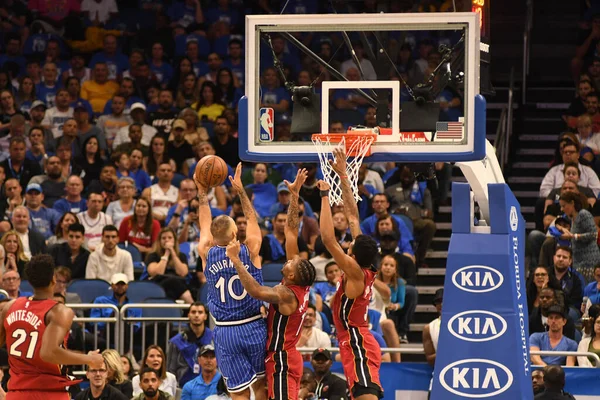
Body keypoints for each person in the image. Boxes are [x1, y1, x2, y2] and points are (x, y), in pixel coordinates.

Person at [226, 168, 316, 400]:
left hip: (282, 358)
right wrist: (295, 196)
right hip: (287, 355)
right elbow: (291, 232)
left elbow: (255, 290)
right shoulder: (299, 284)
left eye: (292, 263)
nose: (289, 259)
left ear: (293, 276)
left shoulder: (286, 293)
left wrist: (235, 260)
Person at [197, 163, 267, 400]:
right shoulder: (250, 249)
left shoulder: (206, 251)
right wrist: (239, 190)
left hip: (225, 332)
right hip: (253, 326)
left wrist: (201, 191)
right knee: (262, 388)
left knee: (237, 394)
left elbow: (204, 224)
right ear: (236, 233)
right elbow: (252, 218)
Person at [318, 147, 383, 400]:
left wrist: (325, 195)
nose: (349, 244)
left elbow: (328, 239)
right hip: (355, 341)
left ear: (353, 255)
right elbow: (353, 216)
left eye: (351, 246)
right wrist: (344, 175)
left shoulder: (355, 272)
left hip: (358, 344)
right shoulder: (363, 264)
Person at [0, 254, 104, 400]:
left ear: (28, 281)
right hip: (50, 392)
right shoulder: (59, 311)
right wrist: (89, 359)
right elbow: (49, 353)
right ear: (53, 279)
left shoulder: (9, 307)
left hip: (17, 393)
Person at [167, 302, 213, 386]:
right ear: (188, 315)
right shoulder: (176, 342)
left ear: (205, 316)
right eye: (193, 312)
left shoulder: (214, 339)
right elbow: (170, 371)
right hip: (183, 388)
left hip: (210, 387)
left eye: (200, 312)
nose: (196, 315)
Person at [145, 227, 194, 303]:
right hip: (159, 285)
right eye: (163, 238)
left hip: (179, 286)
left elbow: (183, 273)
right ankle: (191, 304)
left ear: (174, 240)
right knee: (172, 281)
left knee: (175, 282)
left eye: (170, 238)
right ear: (159, 241)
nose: (167, 240)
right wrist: (166, 254)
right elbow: (157, 273)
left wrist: (173, 253)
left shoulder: (181, 256)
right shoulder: (152, 256)